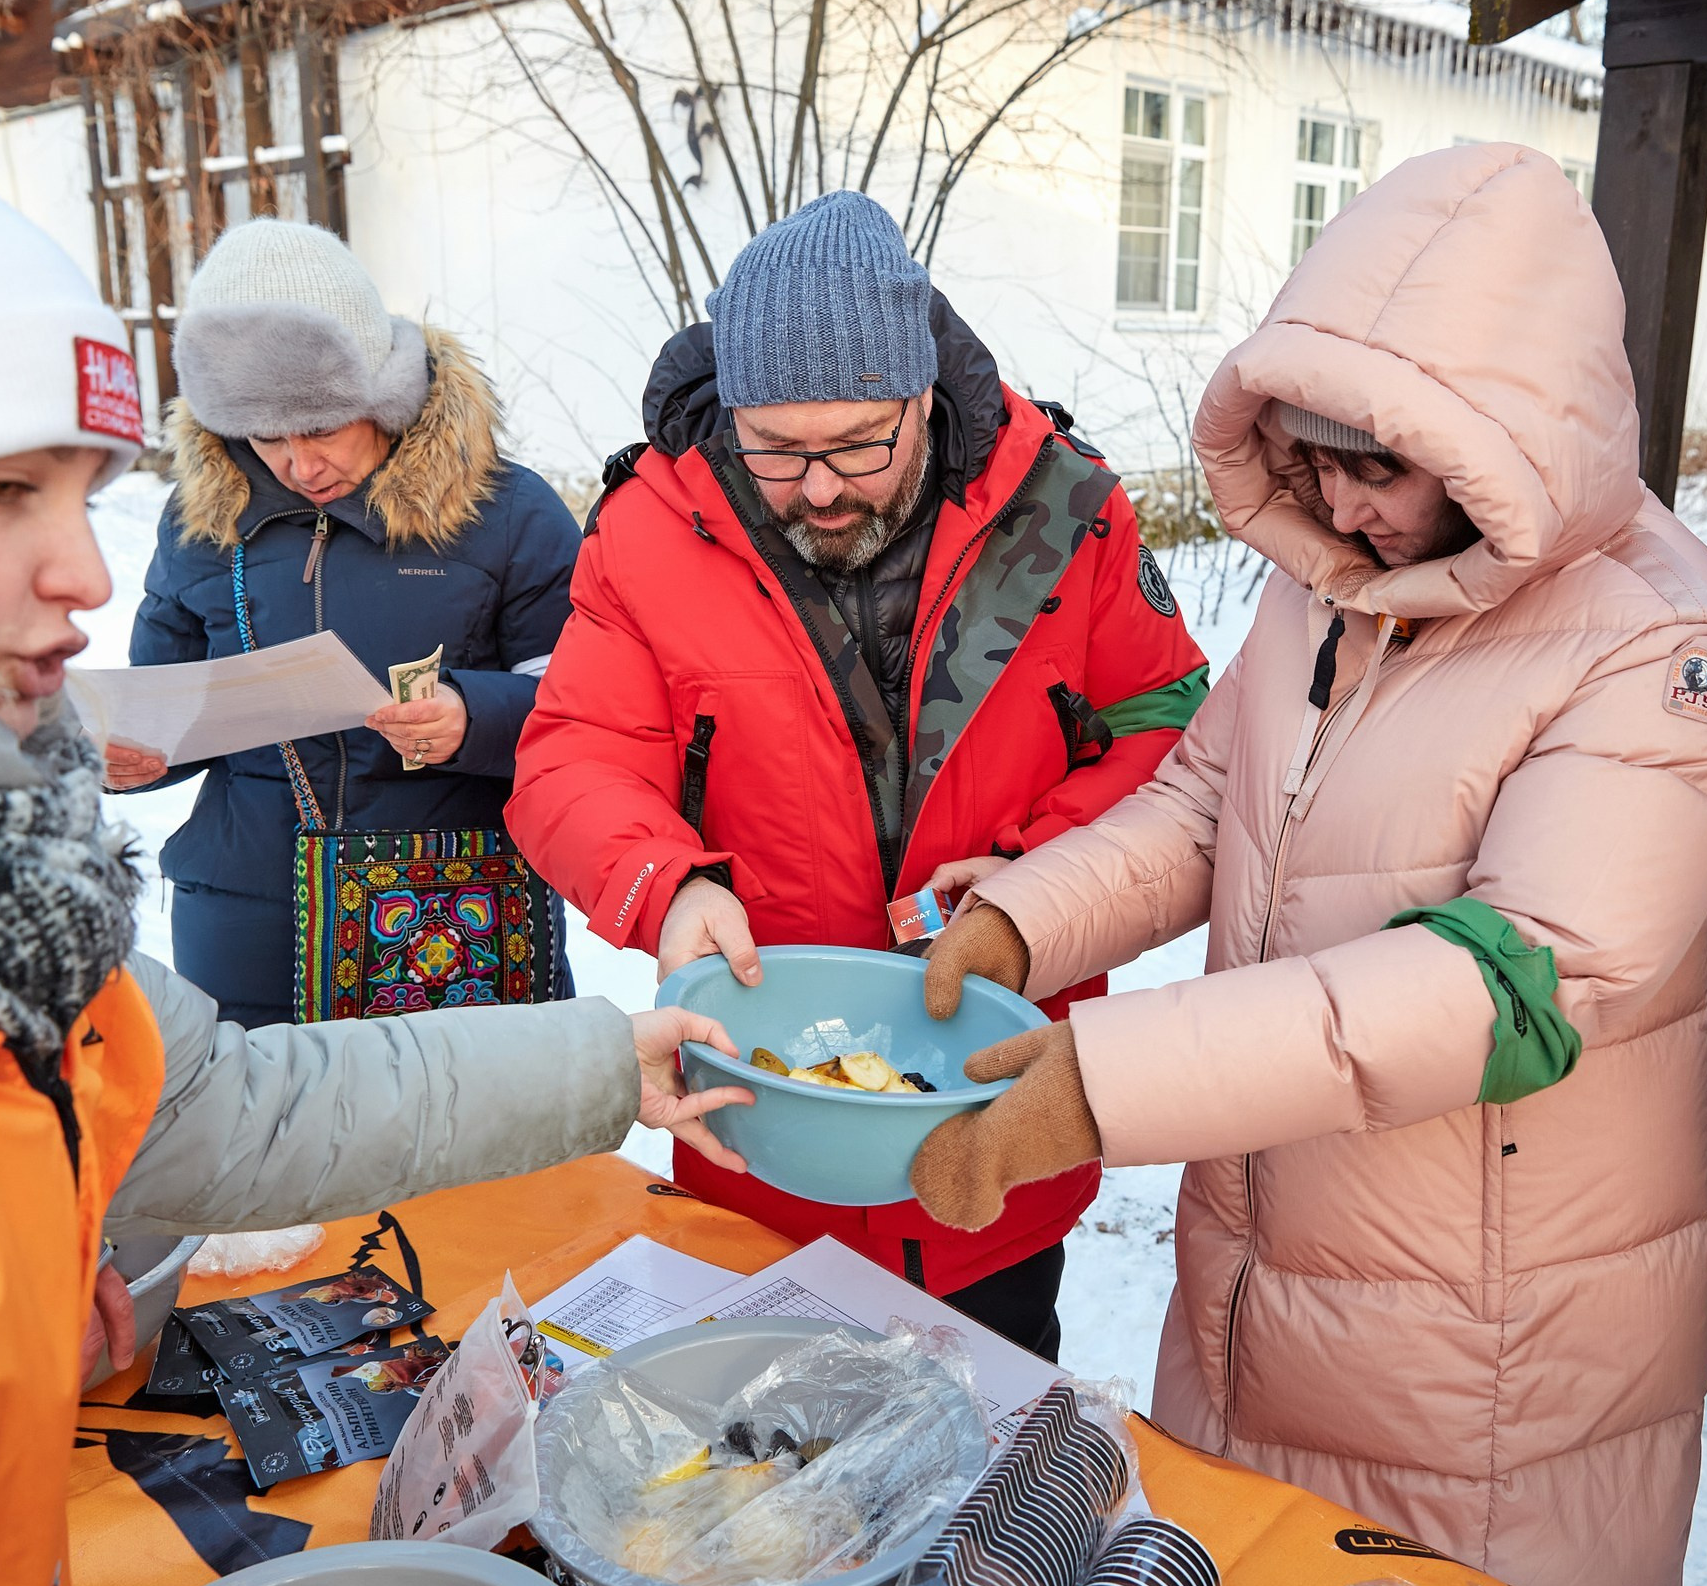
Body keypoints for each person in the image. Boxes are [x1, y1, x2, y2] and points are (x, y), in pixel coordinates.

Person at [0, 35, 747, 1586]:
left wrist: (594, 1042)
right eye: (13, 490)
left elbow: (216, 1103)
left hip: (441, 916)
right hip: (256, 891)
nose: (82, 570)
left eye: (86, 492)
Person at [910, 145, 1707, 1586]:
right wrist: (1027, 918)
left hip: (1484, 1338)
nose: (1346, 505)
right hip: (1264, 1257)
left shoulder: (1655, 642)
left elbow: (1523, 978)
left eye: (1385, 467)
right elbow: (1202, 801)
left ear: (1511, 444)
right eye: (1314, 462)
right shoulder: (1333, 577)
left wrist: (1107, 1080)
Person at [507, 192, 1210, 1355]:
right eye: (775, 450)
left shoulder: (1067, 511)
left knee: (985, 1473)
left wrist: (1040, 880)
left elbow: (1172, 732)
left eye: (856, 446)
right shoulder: (647, 524)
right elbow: (570, 755)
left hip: (992, 1122)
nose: (819, 488)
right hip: (762, 1137)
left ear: (922, 397)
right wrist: (664, 887)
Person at [111, 217, 582, 1025]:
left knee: (476, 1151)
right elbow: (165, 702)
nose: (299, 463)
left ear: (383, 393)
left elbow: (591, 709)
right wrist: (130, 754)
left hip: (448, 928)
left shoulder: (507, 512)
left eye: (323, 426)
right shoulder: (198, 522)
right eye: (265, 435)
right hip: (246, 939)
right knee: (259, 1149)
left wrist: (472, 717)